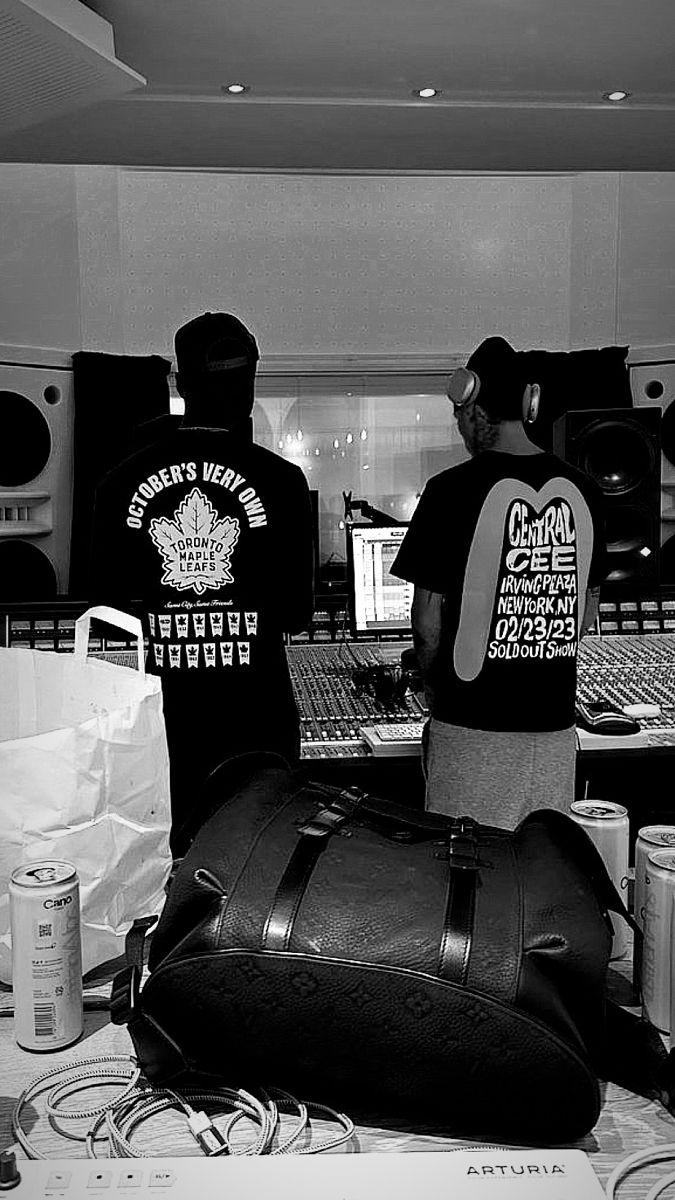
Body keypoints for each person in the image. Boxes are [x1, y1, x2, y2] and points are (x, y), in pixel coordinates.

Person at [89, 312, 314, 855]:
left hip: (165, 733)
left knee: (168, 887)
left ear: (179, 383)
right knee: (258, 877)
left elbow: (111, 611)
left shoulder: (118, 483)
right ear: (252, 380)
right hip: (259, 736)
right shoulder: (284, 482)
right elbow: (297, 614)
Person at [391, 335, 605, 827]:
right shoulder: (586, 492)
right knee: (537, 879)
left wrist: (436, 695)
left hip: (470, 731)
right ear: (527, 405)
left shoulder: (448, 492)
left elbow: (427, 621)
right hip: (554, 734)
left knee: (466, 881)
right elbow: (586, 608)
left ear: (473, 410)